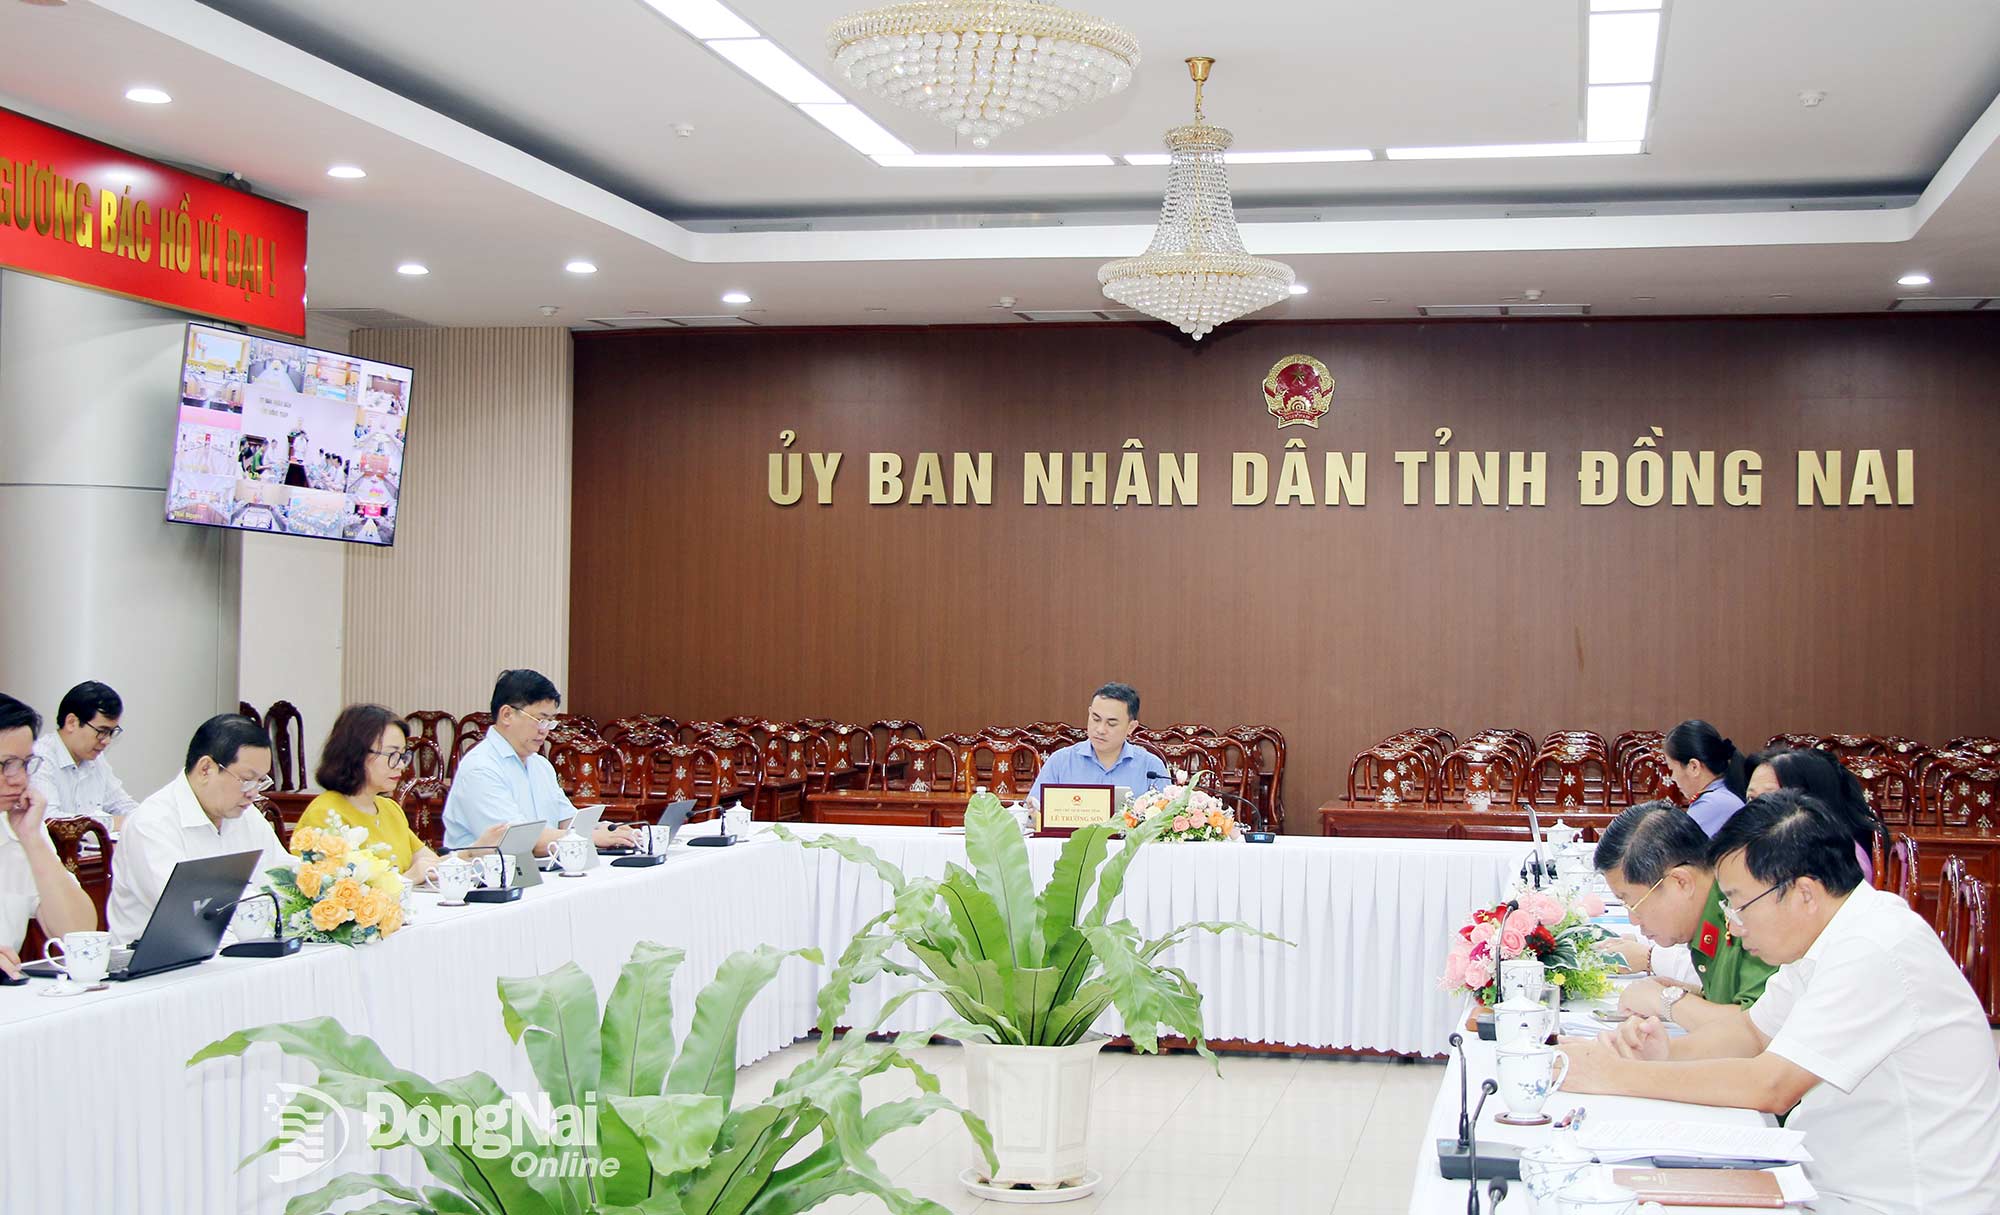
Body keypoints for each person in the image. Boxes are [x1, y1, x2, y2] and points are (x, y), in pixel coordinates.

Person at [1560, 790, 2000, 1213]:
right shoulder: (1825, 937)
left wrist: (1614, 1075)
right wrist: (1664, 1054)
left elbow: (1772, 1085)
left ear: (1803, 893)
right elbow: (1751, 1033)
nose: (1733, 924)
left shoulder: (1875, 945)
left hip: (1896, 1201)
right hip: (1827, 1180)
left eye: (1738, 904)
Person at [1589, 800, 1777, 1031]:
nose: (1633, 920)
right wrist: (1690, 996)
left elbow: (1759, 1029)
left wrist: (1665, 1001)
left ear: (1680, 882)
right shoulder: (1704, 916)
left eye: (1633, 903)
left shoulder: (1746, 913)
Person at [106, 714, 291, 944]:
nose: (253, 793)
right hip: (163, 960)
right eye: (247, 780)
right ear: (206, 769)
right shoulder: (151, 824)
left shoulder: (246, 815)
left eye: (261, 781)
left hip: (238, 951)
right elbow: (189, 914)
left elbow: (282, 878)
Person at [441, 669, 638, 855]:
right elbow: (517, 841)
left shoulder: (540, 765)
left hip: (541, 869)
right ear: (507, 715)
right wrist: (591, 838)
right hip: (486, 876)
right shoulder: (480, 768)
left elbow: (566, 821)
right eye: (540, 720)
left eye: (550, 722)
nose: (545, 730)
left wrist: (607, 830)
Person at [0, 694, 98, 975]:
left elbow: (79, 933)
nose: (20, 779)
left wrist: (32, 839)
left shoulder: (17, 826)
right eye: (6, 764)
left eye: (25, 764)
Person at [293, 704, 439, 885]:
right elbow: (332, 891)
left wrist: (466, 854)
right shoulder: (325, 813)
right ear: (356, 753)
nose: (401, 765)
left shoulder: (390, 808)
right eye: (392, 754)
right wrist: (407, 879)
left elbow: (429, 862)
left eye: (402, 755)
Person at [1745, 748, 1884, 885]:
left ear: (1813, 800)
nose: (1755, 808)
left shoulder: (1842, 861)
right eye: (1751, 798)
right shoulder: (1761, 847)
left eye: (1770, 798)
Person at [1027, 683, 1169, 806]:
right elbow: (1034, 813)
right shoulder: (1060, 762)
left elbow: (1164, 820)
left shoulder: (1151, 767)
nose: (1100, 730)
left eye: (1111, 723)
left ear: (1131, 727)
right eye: (1096, 719)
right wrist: (1033, 812)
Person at [29, 680, 140, 830]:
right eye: (102, 731)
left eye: (111, 732)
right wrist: (112, 823)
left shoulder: (95, 759)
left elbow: (122, 804)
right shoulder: (39, 758)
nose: (107, 741)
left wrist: (142, 818)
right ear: (71, 722)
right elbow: (49, 821)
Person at [1662, 718, 1747, 836]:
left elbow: (1676, 846)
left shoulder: (1712, 805)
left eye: (1672, 770)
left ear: (1694, 767)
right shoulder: (1721, 793)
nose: (1672, 778)